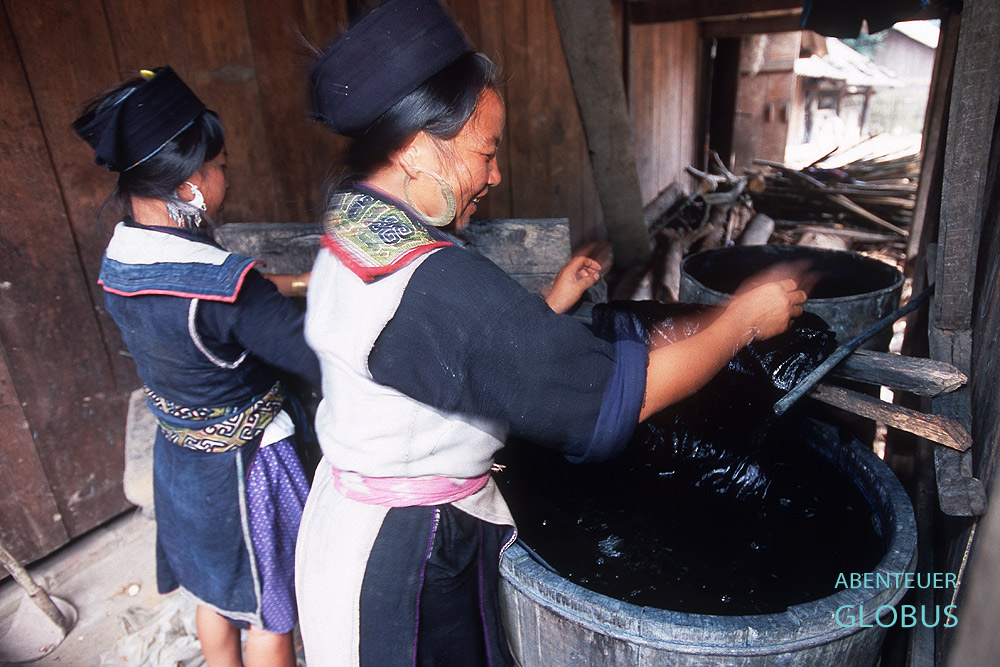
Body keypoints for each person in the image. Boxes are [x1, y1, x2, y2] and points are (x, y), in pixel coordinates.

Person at [294, 1, 808, 665]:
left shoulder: (358, 221)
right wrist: (741, 319)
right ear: (420, 148)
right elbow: (614, 400)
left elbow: (443, 349)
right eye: (486, 152)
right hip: (403, 567)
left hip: (349, 515)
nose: (496, 175)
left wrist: (551, 302)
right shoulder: (434, 282)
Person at [73, 67, 319, 667]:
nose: (224, 177)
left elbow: (196, 308)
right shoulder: (224, 287)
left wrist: (271, 285)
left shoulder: (120, 263)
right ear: (189, 186)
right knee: (269, 610)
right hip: (245, 472)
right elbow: (316, 357)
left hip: (182, 464)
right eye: (221, 165)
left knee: (216, 595)